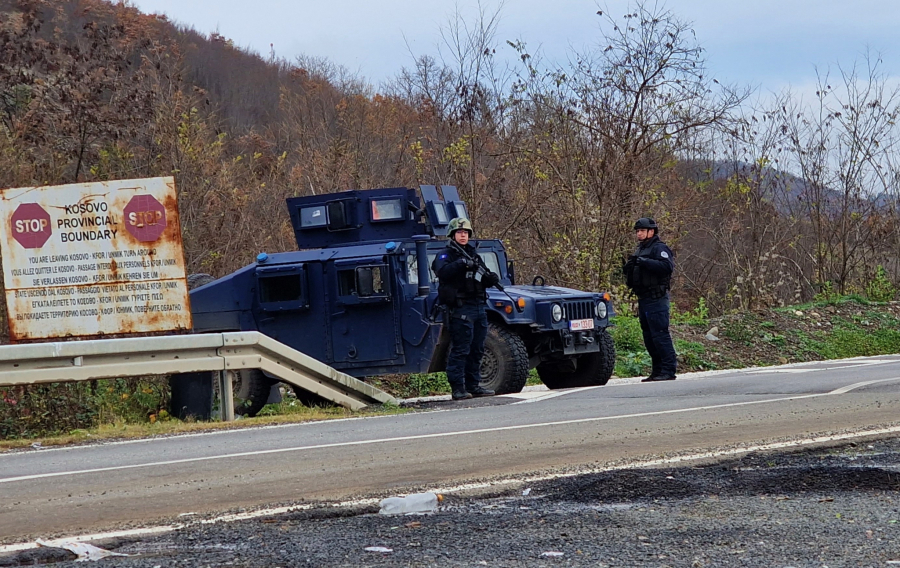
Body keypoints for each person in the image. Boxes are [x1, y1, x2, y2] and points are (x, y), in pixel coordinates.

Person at [432, 217, 500, 400]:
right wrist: (461, 264)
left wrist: (490, 279)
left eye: (465, 233)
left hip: (478, 306)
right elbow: (442, 272)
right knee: (461, 349)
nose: (463, 235)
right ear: (453, 235)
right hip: (460, 309)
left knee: (478, 348)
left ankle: (473, 385)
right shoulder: (446, 254)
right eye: (459, 232)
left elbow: (481, 276)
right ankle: (458, 388)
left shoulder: (473, 254)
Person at [623, 217, 677, 382]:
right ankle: (657, 370)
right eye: (637, 231)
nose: (638, 234)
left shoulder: (659, 248)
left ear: (651, 231)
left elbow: (667, 267)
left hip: (657, 298)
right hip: (644, 298)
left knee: (660, 334)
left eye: (641, 231)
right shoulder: (640, 249)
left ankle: (668, 370)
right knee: (648, 336)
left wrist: (644, 262)